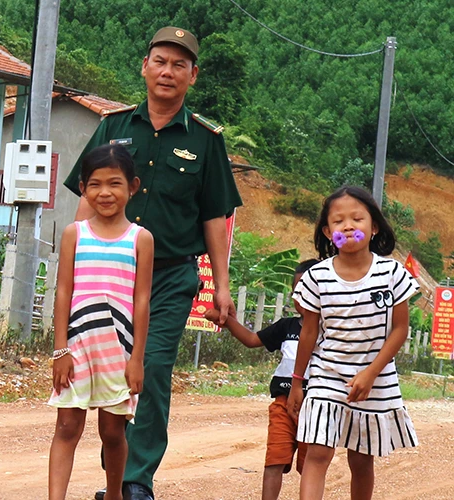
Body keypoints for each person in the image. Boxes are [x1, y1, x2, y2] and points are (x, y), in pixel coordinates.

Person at [63, 27, 243, 500]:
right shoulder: (113, 126)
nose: (168, 71)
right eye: (160, 61)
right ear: (145, 67)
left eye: (179, 65)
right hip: (112, 273)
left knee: (153, 371)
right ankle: (114, 481)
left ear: (193, 76)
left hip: (170, 276)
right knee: (110, 372)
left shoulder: (206, 141)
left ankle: (135, 481)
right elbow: (88, 200)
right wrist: (73, 265)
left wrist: (221, 286)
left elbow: (214, 216)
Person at [288, 186, 419, 500]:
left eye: (357, 218)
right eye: (338, 221)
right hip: (326, 375)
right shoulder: (316, 277)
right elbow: (309, 332)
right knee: (318, 454)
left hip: (376, 380)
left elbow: (399, 330)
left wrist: (370, 373)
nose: (348, 225)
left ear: (374, 227)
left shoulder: (392, 274)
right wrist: (297, 382)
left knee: (361, 459)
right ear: (327, 231)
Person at [48, 145, 154, 500]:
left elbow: (141, 300)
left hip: (118, 352)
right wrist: (59, 349)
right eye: (95, 184)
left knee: (112, 432)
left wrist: (137, 358)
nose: (104, 193)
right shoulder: (74, 234)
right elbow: (63, 293)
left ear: (133, 187)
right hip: (77, 348)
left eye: (115, 184)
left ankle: (114, 495)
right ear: (82, 188)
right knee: (67, 426)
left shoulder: (140, 239)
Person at [205, 259, 319, 500]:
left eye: (307, 289)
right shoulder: (286, 326)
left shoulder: (331, 330)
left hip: (317, 409)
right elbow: (251, 339)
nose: (300, 296)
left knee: (311, 467)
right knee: (274, 462)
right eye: (296, 289)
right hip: (282, 404)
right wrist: (227, 322)